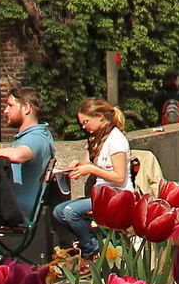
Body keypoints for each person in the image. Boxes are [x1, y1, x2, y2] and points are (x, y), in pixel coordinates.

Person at [0, 86, 53, 227]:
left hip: (17, 212)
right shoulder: (36, 135)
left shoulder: (36, 138)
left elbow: (19, 155)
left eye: (10, 106)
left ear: (26, 108)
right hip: (13, 209)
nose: (5, 111)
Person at [52, 99, 130, 253]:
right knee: (58, 212)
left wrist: (90, 169)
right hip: (100, 194)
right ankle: (93, 242)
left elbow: (120, 177)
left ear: (100, 116)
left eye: (86, 122)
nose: (83, 127)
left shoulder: (116, 140)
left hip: (116, 195)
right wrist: (77, 166)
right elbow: (88, 163)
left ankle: (91, 249)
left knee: (70, 211)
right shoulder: (96, 139)